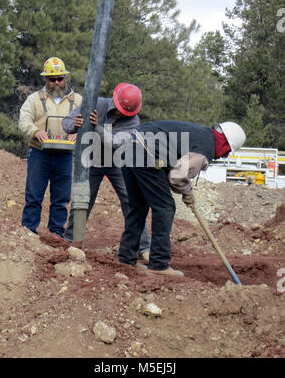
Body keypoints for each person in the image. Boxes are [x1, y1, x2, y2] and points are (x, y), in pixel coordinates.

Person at [94, 119, 246, 277]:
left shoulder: (199, 134)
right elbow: (177, 176)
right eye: (227, 152)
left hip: (129, 148)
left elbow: (169, 167)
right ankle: (159, 263)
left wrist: (187, 191)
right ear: (226, 145)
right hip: (146, 153)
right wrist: (187, 193)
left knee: (138, 207)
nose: (223, 156)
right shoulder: (204, 148)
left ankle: (126, 258)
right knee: (165, 207)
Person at [62, 83, 151, 260]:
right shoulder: (96, 104)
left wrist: (96, 128)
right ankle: (72, 239)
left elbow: (117, 142)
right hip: (90, 160)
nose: (120, 115)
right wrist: (76, 124)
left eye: (124, 113)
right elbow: (65, 123)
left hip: (118, 163)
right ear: (115, 101)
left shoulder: (134, 120)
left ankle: (144, 247)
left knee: (132, 202)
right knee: (82, 200)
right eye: (119, 111)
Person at [19, 57, 82, 237]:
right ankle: (29, 233)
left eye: (59, 78)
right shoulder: (34, 99)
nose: (56, 83)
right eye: (51, 79)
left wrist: (79, 133)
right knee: (34, 195)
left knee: (61, 198)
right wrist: (35, 131)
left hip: (64, 156)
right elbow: (24, 120)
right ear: (45, 79)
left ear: (65, 78)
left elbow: (89, 122)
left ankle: (56, 233)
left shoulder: (77, 100)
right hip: (39, 153)